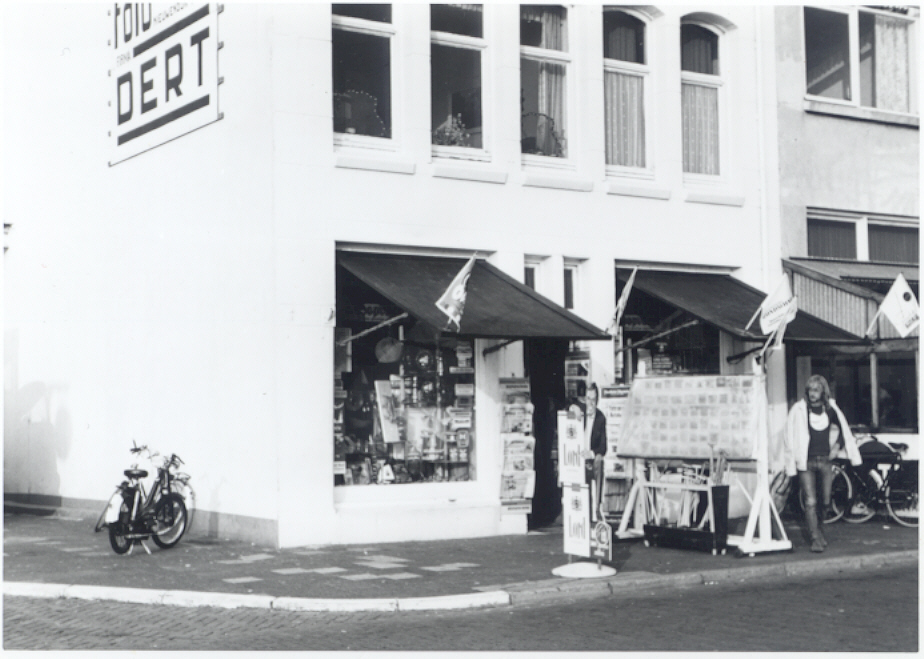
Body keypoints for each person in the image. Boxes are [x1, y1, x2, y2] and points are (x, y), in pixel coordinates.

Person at [784, 375, 862, 552]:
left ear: (823, 392)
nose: (813, 393)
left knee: (825, 501)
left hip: (826, 461)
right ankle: (815, 538)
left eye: (816, 390)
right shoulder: (799, 410)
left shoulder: (830, 410)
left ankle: (819, 530)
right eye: (810, 390)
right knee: (810, 501)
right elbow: (788, 434)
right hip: (806, 462)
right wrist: (791, 460)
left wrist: (837, 446)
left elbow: (845, 430)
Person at [583, 383, 608, 519]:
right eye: (588, 399)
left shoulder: (600, 418)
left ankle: (597, 508)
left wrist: (591, 453)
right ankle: (585, 513)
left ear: (597, 400)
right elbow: (569, 409)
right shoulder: (580, 414)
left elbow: (604, 447)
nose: (590, 403)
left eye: (593, 399)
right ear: (585, 399)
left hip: (592, 460)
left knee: (599, 461)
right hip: (580, 459)